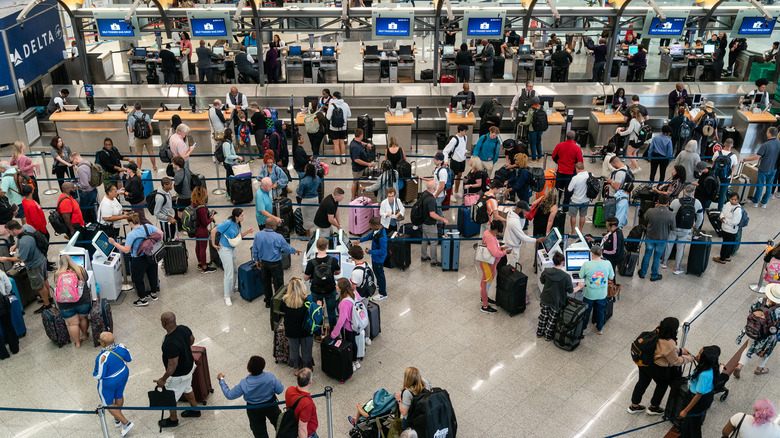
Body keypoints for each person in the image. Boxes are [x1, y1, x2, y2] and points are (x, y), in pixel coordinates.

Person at [628, 317, 695, 415]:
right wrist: (689, 358)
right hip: (657, 368)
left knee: (642, 383)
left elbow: (663, 349)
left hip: (644, 362)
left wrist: (680, 351)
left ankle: (634, 406)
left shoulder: (657, 331)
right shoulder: (670, 342)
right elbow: (675, 361)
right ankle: (653, 408)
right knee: (662, 385)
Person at [218, 356, 283, 438]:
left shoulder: (244, 383)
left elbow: (229, 395)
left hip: (254, 409)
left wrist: (221, 380)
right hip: (271, 405)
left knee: (259, 432)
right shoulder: (270, 377)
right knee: (280, 426)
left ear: (248, 369)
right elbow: (280, 390)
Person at [156, 312, 200, 428]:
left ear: (164, 323)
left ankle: (173, 419)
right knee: (187, 387)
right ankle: (195, 410)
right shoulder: (183, 328)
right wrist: (184, 349)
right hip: (189, 366)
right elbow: (192, 339)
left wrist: (163, 379)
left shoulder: (170, 342)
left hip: (178, 375)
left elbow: (172, 365)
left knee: (171, 398)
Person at [108, 214, 160, 307]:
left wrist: (114, 243)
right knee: (152, 274)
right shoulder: (147, 227)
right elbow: (161, 233)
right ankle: (153, 294)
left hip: (138, 258)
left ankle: (143, 299)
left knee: (138, 279)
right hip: (151, 255)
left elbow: (126, 250)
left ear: (131, 222)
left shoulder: (131, 235)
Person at [0, 221, 51, 313]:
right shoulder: (27, 226)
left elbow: (21, 258)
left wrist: (6, 258)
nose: (9, 234)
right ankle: (49, 298)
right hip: (41, 258)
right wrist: (16, 245)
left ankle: (47, 304)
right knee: (44, 280)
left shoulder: (24, 242)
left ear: (15, 230)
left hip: (34, 265)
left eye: (10, 232)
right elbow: (29, 236)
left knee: (40, 286)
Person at [252, 217, 298, 309]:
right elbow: (286, 248)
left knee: (266, 283)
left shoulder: (258, 235)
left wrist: (257, 260)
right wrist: (294, 251)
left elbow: (255, 249)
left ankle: (268, 301)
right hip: (276, 264)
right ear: (272, 226)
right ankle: (278, 302)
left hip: (264, 263)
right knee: (278, 284)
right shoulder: (278, 237)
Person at [93, 332, 133, 436]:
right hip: (123, 375)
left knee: (107, 403)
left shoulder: (102, 357)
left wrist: (94, 373)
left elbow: (99, 375)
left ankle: (126, 423)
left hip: (109, 382)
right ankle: (117, 418)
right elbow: (129, 359)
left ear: (102, 343)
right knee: (118, 394)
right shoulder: (122, 346)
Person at [212, 209, 254, 306]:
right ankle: (227, 296)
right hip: (224, 249)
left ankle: (231, 287)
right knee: (229, 273)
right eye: (242, 216)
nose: (243, 217)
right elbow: (214, 231)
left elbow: (237, 237)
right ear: (236, 216)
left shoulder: (238, 224)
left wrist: (247, 232)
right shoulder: (228, 223)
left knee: (234, 270)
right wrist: (213, 244)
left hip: (231, 249)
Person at [679, 345, 720, 438]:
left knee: (695, 424)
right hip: (700, 396)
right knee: (689, 420)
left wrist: (685, 410)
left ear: (705, 359)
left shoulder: (704, 374)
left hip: (699, 400)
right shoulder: (708, 366)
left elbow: (698, 395)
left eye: (700, 354)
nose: (697, 355)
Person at [303, 238, 341, 339]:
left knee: (317, 310)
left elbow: (305, 277)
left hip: (316, 291)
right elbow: (338, 272)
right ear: (327, 246)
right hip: (330, 289)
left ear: (316, 247)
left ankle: (318, 334)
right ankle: (333, 331)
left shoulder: (311, 262)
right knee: (331, 310)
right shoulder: (333, 260)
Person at [662, 185, 704, 275]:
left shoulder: (675, 201)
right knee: (680, 249)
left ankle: (664, 263)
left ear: (683, 192)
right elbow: (700, 218)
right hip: (686, 230)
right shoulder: (697, 203)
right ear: (693, 193)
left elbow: (670, 214)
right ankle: (677, 268)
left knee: (669, 245)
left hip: (674, 228)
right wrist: (696, 226)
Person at [280, 278, 317, 376]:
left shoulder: (284, 301)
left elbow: (282, 312)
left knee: (294, 350)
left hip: (291, 331)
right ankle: (307, 368)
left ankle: (297, 368)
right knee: (306, 350)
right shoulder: (308, 300)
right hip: (306, 331)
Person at [54, 254, 92, 348]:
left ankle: (77, 343)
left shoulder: (58, 273)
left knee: (72, 323)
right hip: (82, 300)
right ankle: (84, 336)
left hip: (65, 304)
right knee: (83, 318)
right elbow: (86, 280)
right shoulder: (80, 270)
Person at [538, 252, 577, 340]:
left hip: (545, 298)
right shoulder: (566, 276)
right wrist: (580, 286)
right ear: (563, 262)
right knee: (552, 319)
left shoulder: (546, 271)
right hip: (557, 301)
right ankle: (548, 336)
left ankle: (539, 332)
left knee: (543, 315)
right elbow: (570, 290)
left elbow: (542, 281)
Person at [638, 194, 675, 282]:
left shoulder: (651, 211)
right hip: (662, 239)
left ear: (658, 201)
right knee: (657, 257)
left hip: (650, 236)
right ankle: (654, 275)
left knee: (647, 254)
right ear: (668, 203)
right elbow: (673, 228)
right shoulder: (671, 214)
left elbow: (645, 218)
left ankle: (643, 273)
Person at [579, 245, 615, 335]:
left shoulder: (587, 264)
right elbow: (611, 277)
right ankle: (599, 328)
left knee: (587, 312)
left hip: (589, 294)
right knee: (600, 311)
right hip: (602, 294)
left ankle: (583, 329)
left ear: (591, 254)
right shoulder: (608, 263)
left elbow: (580, 276)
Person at [742, 127, 780, 208]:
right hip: (774, 168)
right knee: (769, 186)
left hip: (764, 168)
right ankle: (764, 203)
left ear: (770, 133)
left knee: (760, 185)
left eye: (767, 131)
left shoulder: (765, 145)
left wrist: (744, 159)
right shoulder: (778, 143)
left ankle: (755, 202)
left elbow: (756, 157)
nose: (766, 133)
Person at [329, 278, 362, 371]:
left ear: (341, 288)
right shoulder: (354, 292)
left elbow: (341, 320)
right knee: (353, 342)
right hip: (356, 324)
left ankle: (350, 362)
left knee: (347, 344)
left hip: (347, 327)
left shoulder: (344, 302)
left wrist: (334, 334)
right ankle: (355, 361)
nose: (336, 286)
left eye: (337, 285)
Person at [477, 220, 509, 314]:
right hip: (488, 265)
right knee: (486, 284)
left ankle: (484, 298)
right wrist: (504, 252)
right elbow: (495, 253)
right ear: (495, 229)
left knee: (486, 283)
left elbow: (493, 248)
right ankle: (485, 306)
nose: (499, 233)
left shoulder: (487, 232)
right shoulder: (490, 237)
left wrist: (501, 248)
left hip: (489, 263)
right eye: (498, 231)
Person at [503, 200, 543, 267]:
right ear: (519, 209)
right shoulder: (514, 222)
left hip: (510, 243)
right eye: (525, 210)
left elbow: (520, 227)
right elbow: (522, 236)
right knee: (511, 266)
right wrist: (536, 240)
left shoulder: (511, 213)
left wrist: (523, 218)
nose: (526, 212)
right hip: (512, 247)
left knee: (510, 263)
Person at [357, 217, 388, 301]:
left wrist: (370, 251)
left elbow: (382, 251)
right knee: (376, 272)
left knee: (380, 274)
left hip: (379, 259)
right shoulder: (376, 231)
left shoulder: (382, 237)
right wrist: (360, 241)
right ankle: (380, 285)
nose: (371, 228)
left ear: (377, 226)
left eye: (372, 226)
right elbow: (370, 236)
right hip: (375, 257)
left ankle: (383, 293)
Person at [420, 181, 449, 267]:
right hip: (430, 224)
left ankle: (423, 256)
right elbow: (432, 214)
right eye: (436, 186)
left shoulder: (424, 194)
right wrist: (442, 219)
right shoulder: (431, 199)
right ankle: (433, 261)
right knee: (433, 242)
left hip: (424, 222)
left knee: (424, 240)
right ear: (434, 188)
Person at [553, 131, 585, 207]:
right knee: (568, 190)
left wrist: (559, 162)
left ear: (566, 136)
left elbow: (554, 156)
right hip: (571, 173)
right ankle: (565, 207)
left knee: (558, 189)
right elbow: (580, 161)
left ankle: (556, 205)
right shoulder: (577, 148)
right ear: (574, 137)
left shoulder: (559, 145)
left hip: (560, 171)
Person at [284, 368, 318, 438]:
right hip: (309, 433)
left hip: (292, 424)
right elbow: (302, 428)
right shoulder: (306, 403)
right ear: (310, 382)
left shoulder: (290, 389)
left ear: (297, 378)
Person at [190, 186, 216, 274]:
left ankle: (200, 263)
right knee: (203, 248)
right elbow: (205, 222)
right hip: (202, 230)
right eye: (205, 193)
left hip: (196, 229)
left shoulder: (194, 204)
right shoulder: (202, 208)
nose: (207, 194)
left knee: (198, 246)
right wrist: (211, 218)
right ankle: (204, 268)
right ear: (202, 195)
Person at [713, 192, 743, 264]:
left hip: (731, 230)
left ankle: (722, 258)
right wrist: (722, 217)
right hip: (725, 228)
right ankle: (727, 256)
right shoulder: (727, 204)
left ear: (738, 200)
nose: (733, 201)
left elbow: (735, 221)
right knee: (728, 243)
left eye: (735, 200)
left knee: (725, 244)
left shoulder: (738, 210)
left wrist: (725, 220)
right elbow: (723, 212)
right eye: (732, 199)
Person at [69, 152, 97, 224]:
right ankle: (94, 224)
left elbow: (85, 185)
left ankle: (83, 225)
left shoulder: (81, 168)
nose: (72, 163)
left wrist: (76, 186)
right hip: (93, 190)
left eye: (72, 161)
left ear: (76, 158)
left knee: (82, 211)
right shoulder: (88, 163)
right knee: (92, 210)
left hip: (86, 193)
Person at [127, 102, 156, 172]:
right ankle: (154, 166)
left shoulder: (131, 118)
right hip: (147, 137)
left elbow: (130, 130)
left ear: (134, 108)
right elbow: (151, 128)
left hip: (138, 139)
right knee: (151, 153)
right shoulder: (146, 116)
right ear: (141, 107)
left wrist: (136, 130)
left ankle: (139, 169)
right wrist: (150, 135)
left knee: (139, 155)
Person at [712, 138, 740, 210]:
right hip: (726, 177)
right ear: (732, 145)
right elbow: (732, 168)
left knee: (713, 190)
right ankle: (720, 209)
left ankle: (707, 205)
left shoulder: (717, 153)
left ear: (724, 144)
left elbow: (713, 164)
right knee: (723, 193)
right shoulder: (733, 156)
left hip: (716, 176)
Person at [297, 164, 323, 236]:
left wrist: (297, 188)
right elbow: (320, 186)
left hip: (306, 200)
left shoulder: (303, 181)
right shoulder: (317, 178)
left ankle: (308, 235)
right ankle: (317, 233)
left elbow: (300, 193)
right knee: (315, 216)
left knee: (306, 218)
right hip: (315, 199)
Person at [349, 128, 375, 200]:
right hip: (357, 169)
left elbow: (360, 143)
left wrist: (366, 144)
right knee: (355, 182)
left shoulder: (356, 141)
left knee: (357, 182)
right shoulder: (355, 147)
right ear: (361, 135)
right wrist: (368, 164)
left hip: (361, 168)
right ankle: (353, 198)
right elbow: (356, 160)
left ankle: (357, 194)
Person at [327, 91, 351, 165]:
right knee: (342, 143)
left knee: (336, 144)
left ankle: (337, 161)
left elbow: (328, 117)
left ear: (334, 97)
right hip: (343, 127)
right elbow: (349, 115)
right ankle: (343, 160)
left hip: (334, 128)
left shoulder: (331, 105)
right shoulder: (345, 104)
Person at [616, 106, 644, 171]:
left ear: (632, 113)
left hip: (634, 140)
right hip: (640, 140)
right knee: (633, 154)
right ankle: (632, 169)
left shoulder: (633, 120)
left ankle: (637, 167)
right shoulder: (641, 119)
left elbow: (629, 131)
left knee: (628, 153)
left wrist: (620, 133)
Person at [567, 163, 590, 235]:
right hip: (586, 199)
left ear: (576, 169)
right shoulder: (589, 175)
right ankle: (580, 231)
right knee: (582, 215)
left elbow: (569, 189)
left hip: (575, 200)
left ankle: (573, 232)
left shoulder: (575, 178)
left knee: (573, 216)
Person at [153, 177, 177, 241]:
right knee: (167, 239)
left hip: (171, 219)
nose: (171, 186)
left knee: (171, 237)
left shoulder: (168, 192)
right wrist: (169, 218)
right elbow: (156, 213)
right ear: (165, 185)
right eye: (170, 185)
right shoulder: (160, 198)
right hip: (165, 222)